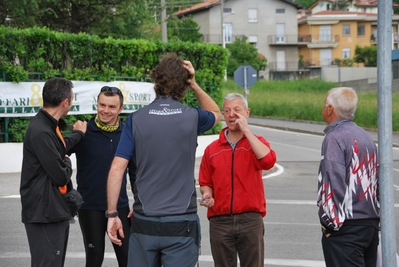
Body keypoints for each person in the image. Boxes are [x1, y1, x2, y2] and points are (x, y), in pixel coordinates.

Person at [106, 53, 221, 267]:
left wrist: (112, 213)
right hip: (181, 222)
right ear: (183, 84)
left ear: (155, 80)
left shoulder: (136, 119)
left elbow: (116, 169)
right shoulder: (192, 117)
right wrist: (194, 84)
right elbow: (215, 112)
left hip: (144, 220)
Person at [198, 93, 276, 267]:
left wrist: (247, 131)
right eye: (227, 111)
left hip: (250, 219)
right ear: (223, 116)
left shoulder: (256, 143)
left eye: (237, 110)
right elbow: (205, 182)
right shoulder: (212, 149)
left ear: (246, 113)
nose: (232, 114)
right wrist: (207, 194)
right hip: (220, 220)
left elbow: (269, 161)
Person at [20, 77, 87, 267]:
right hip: (44, 212)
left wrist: (78, 135)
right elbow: (60, 175)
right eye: (72, 99)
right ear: (65, 102)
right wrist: (67, 162)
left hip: (51, 210)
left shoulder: (48, 125)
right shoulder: (41, 131)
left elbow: (60, 147)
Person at [68, 86, 135, 267]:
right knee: (95, 259)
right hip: (89, 208)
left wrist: (139, 201)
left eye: (112, 107)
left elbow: (135, 171)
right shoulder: (84, 131)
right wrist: (77, 134)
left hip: (120, 206)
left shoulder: (127, 134)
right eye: (102, 105)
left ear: (121, 109)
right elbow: (58, 153)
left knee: (128, 259)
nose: (106, 110)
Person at [317, 87, 380, 267]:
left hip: (346, 228)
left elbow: (332, 181)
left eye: (324, 104)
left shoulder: (334, 138)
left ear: (330, 109)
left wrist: (329, 225)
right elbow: (377, 181)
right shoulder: (366, 137)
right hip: (369, 225)